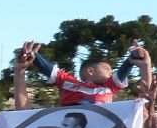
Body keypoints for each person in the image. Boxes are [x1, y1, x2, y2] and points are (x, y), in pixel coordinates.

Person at [18, 41, 146, 105]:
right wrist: (34, 56)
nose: (110, 73)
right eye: (106, 69)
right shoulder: (70, 83)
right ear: (90, 71)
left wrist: (132, 57)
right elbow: (50, 70)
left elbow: (122, 73)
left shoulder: (109, 87)